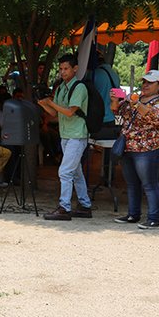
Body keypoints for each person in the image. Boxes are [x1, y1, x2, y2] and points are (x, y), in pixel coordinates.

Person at [110, 70, 159, 230]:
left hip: (147, 148)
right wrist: (115, 103)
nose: (145, 85)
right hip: (128, 147)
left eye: (150, 82)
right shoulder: (135, 99)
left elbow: (156, 119)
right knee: (131, 183)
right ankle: (133, 214)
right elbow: (119, 119)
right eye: (144, 82)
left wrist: (136, 103)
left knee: (149, 184)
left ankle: (154, 219)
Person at [38, 54, 92, 221]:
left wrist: (51, 103)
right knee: (75, 173)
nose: (63, 72)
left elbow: (69, 111)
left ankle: (64, 207)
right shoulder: (62, 87)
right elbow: (55, 114)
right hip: (66, 134)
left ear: (75, 69)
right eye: (61, 69)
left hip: (77, 135)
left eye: (66, 68)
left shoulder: (79, 87)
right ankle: (84, 205)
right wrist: (43, 104)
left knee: (65, 171)